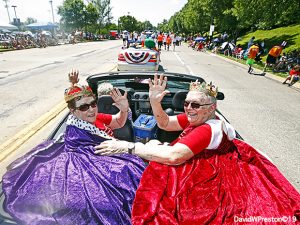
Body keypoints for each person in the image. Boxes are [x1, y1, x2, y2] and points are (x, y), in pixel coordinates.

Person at [95, 74, 300, 224]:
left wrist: (127, 146)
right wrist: (154, 103)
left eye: (195, 104)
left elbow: (175, 156)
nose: (189, 108)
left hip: (209, 172)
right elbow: (165, 123)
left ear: (212, 108)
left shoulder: (207, 129)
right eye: (186, 103)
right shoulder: (198, 116)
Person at [2, 74, 146, 225]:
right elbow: (85, 150)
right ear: (73, 111)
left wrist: (124, 109)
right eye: (84, 107)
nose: (91, 109)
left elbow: (118, 122)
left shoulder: (94, 116)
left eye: (93, 104)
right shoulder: (76, 128)